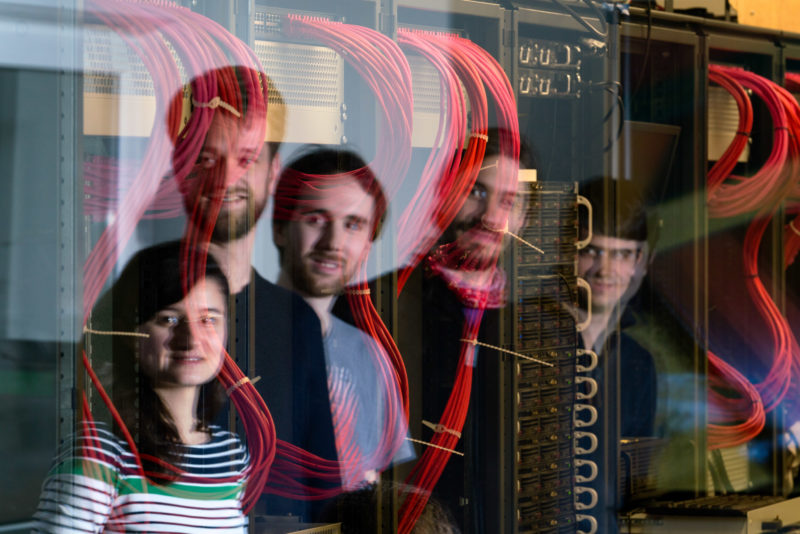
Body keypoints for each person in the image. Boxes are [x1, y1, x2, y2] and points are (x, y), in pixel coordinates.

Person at [333, 128, 537, 531]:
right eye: (476, 192)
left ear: (525, 217)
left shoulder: (528, 324)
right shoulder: (379, 306)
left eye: (510, 202)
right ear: (443, 193)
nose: (492, 217)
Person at [172, 68, 339, 519]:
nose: (227, 178)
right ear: (182, 169)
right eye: (208, 159)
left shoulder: (295, 321)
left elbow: (324, 485)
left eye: (247, 158)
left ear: (273, 174)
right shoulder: (144, 314)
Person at [33, 243, 250, 533]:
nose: (190, 339)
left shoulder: (232, 455)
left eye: (208, 320)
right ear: (129, 332)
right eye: (168, 319)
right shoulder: (100, 454)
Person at [271, 146, 409, 489]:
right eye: (316, 219)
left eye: (353, 225)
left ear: (367, 245)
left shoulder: (370, 355)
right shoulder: (236, 335)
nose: (333, 242)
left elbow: (385, 483)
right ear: (279, 229)